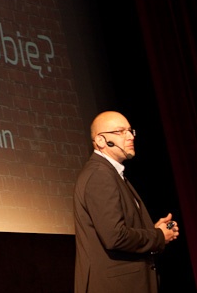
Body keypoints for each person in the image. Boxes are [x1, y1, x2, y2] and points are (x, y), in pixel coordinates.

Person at [74, 111, 179, 293]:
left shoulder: (111, 174)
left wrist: (152, 230)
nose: (130, 137)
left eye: (130, 131)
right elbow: (115, 237)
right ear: (101, 141)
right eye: (120, 132)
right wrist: (158, 236)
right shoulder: (100, 175)